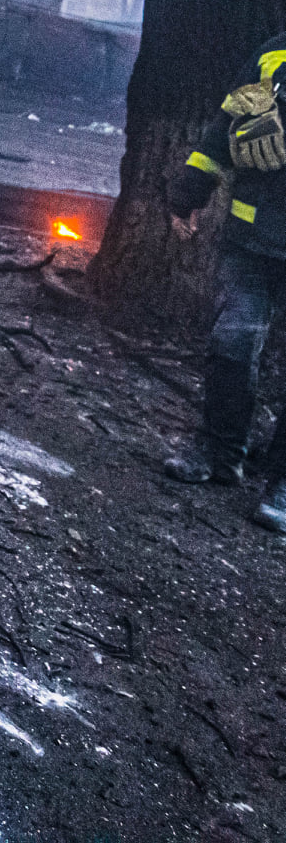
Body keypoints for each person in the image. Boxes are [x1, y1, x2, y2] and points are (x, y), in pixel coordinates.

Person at [164, 36, 286, 532]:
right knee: (232, 343)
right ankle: (219, 452)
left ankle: (282, 483)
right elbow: (224, 131)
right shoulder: (275, 54)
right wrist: (189, 193)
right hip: (254, 235)